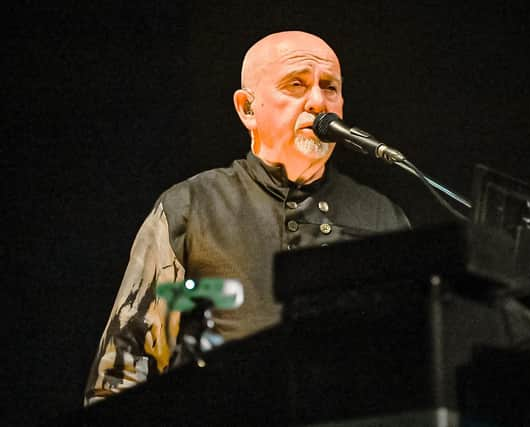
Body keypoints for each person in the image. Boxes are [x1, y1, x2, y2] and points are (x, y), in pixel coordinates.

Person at [84, 31, 410, 406]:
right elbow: (121, 373)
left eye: (330, 87)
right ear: (247, 109)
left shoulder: (383, 216)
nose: (318, 101)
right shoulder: (191, 206)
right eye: (296, 84)